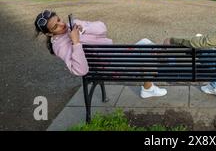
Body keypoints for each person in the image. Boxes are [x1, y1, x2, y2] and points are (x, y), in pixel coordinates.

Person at [34, 10, 167, 98]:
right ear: (49, 34)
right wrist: (76, 42)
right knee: (150, 52)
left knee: (145, 43)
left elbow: (103, 28)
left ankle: (148, 88)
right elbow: (80, 70)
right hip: (110, 66)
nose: (62, 24)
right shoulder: (60, 46)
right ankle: (153, 83)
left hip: (113, 56)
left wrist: (85, 28)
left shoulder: (72, 25)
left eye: (59, 19)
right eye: (55, 26)